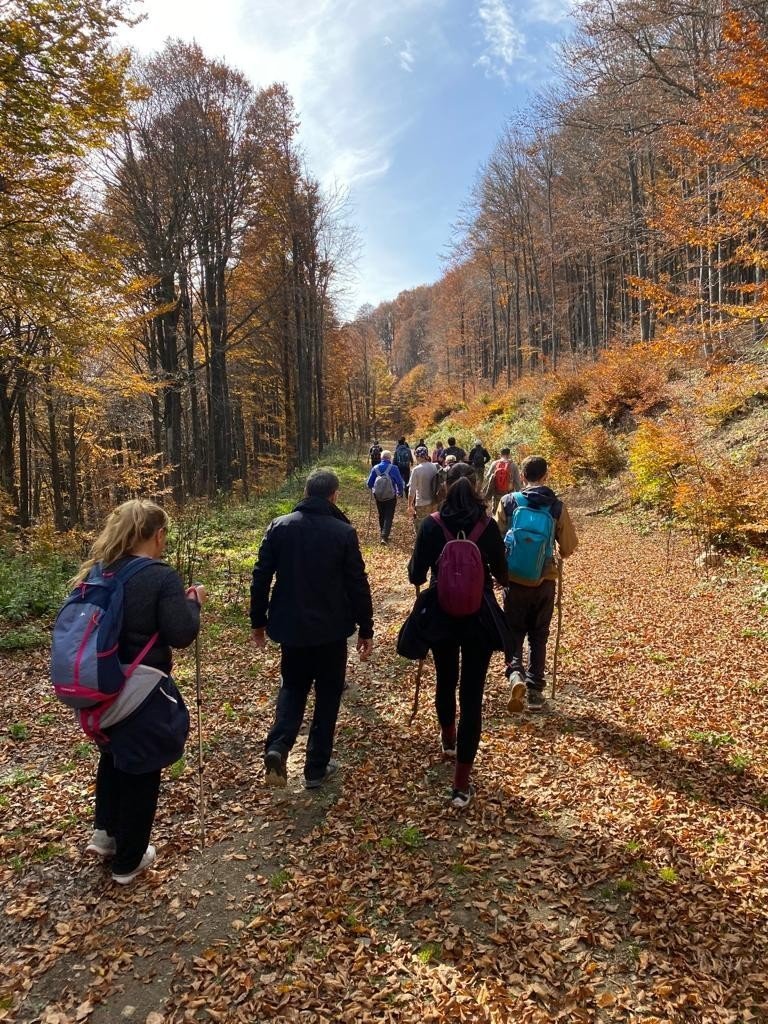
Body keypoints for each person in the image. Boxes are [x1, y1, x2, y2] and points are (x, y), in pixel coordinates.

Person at [73, 500, 204, 885]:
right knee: (142, 768)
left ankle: (106, 834)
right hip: (141, 690)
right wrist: (193, 604)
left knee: (112, 755)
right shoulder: (159, 576)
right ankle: (129, 861)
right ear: (158, 535)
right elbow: (181, 633)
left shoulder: (101, 570)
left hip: (99, 686)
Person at [251, 470, 374, 788]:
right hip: (332, 630)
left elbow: (261, 576)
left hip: (291, 628)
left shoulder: (279, 527)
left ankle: (278, 746)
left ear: (306, 493)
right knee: (328, 694)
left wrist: (258, 621)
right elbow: (357, 583)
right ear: (333, 496)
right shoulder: (343, 532)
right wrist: (366, 627)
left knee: (292, 686)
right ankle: (315, 769)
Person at [408, 464, 509, 810]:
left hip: (442, 616)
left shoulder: (432, 525)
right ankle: (461, 785)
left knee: (445, 679)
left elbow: (414, 574)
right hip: (479, 618)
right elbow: (503, 574)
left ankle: (448, 738)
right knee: (472, 695)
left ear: (446, 488)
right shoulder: (488, 526)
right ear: (478, 488)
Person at [495, 456, 578, 714]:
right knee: (539, 635)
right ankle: (534, 692)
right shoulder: (556, 507)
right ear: (545, 475)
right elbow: (568, 547)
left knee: (514, 631)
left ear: (524, 474)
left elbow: (494, 538)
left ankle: (515, 674)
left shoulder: (509, 502)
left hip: (514, 580)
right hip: (544, 580)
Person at [367, 449, 405, 544]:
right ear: (390, 458)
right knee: (389, 515)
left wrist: (374, 488)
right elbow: (400, 482)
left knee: (381, 514)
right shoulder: (394, 468)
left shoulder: (375, 468)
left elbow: (369, 483)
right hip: (391, 496)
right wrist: (400, 492)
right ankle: (384, 536)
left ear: (381, 458)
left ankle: (382, 533)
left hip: (378, 496)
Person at [482, 447, 522, 514]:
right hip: (509, 492)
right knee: (507, 511)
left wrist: (487, 489)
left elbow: (487, 476)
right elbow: (517, 481)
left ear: (501, 454)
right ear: (509, 454)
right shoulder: (513, 465)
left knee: (495, 511)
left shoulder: (495, 463)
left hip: (497, 492)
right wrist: (519, 494)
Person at [408, 446, 439, 529]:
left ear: (417, 456)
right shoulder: (434, 467)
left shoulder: (416, 470)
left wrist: (409, 505)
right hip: (434, 501)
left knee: (422, 527)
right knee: (433, 525)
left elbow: (412, 489)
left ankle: (423, 542)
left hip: (422, 502)